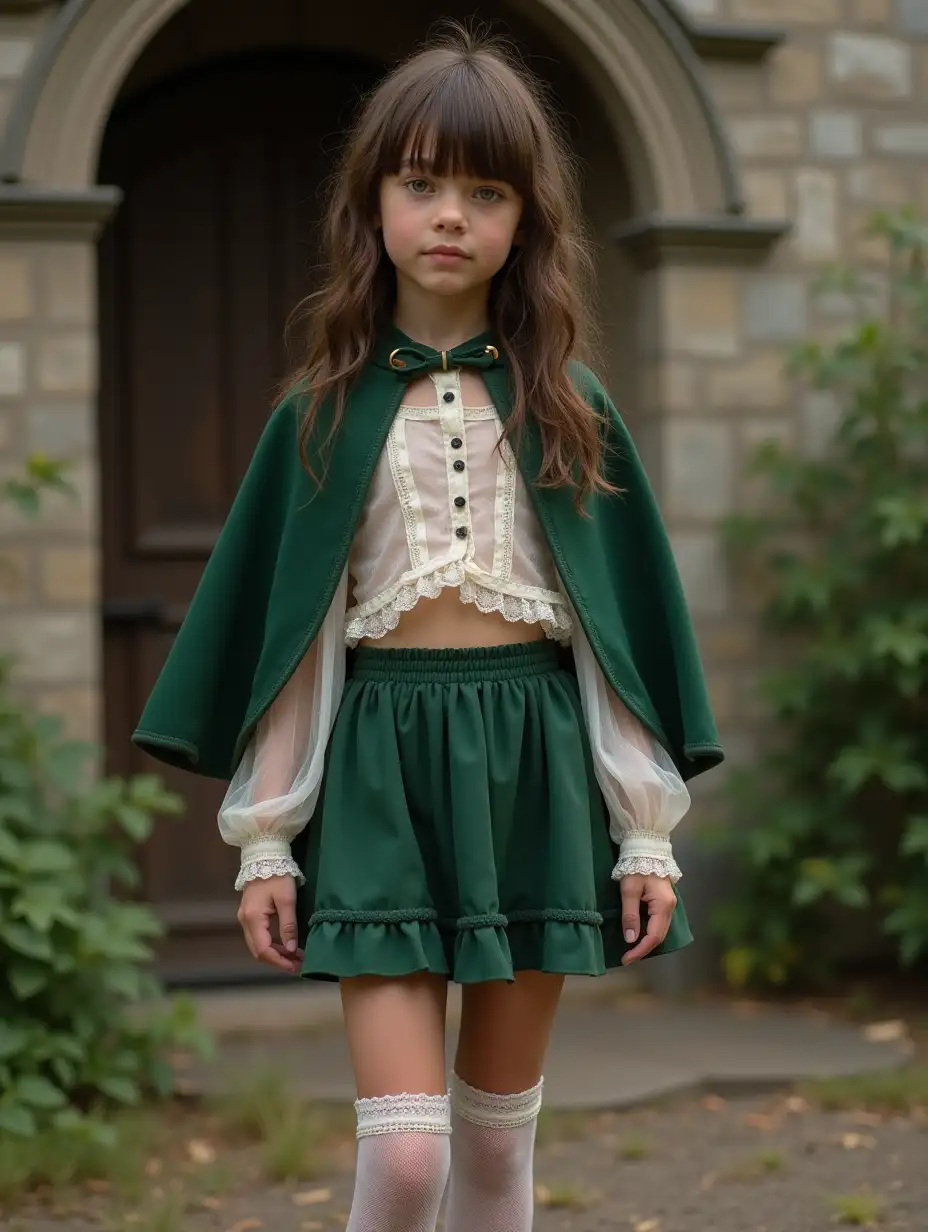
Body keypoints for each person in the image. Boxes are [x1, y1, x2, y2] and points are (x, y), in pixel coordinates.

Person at [133, 22, 722, 1232]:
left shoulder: (572, 408)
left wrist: (646, 834)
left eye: (485, 189)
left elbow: (606, 643)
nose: (450, 213)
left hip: (537, 771)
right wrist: (264, 840)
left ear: (524, 221)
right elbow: (300, 641)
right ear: (374, 206)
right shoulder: (320, 413)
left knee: (498, 1151)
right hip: (379, 779)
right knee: (406, 1163)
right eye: (420, 183)